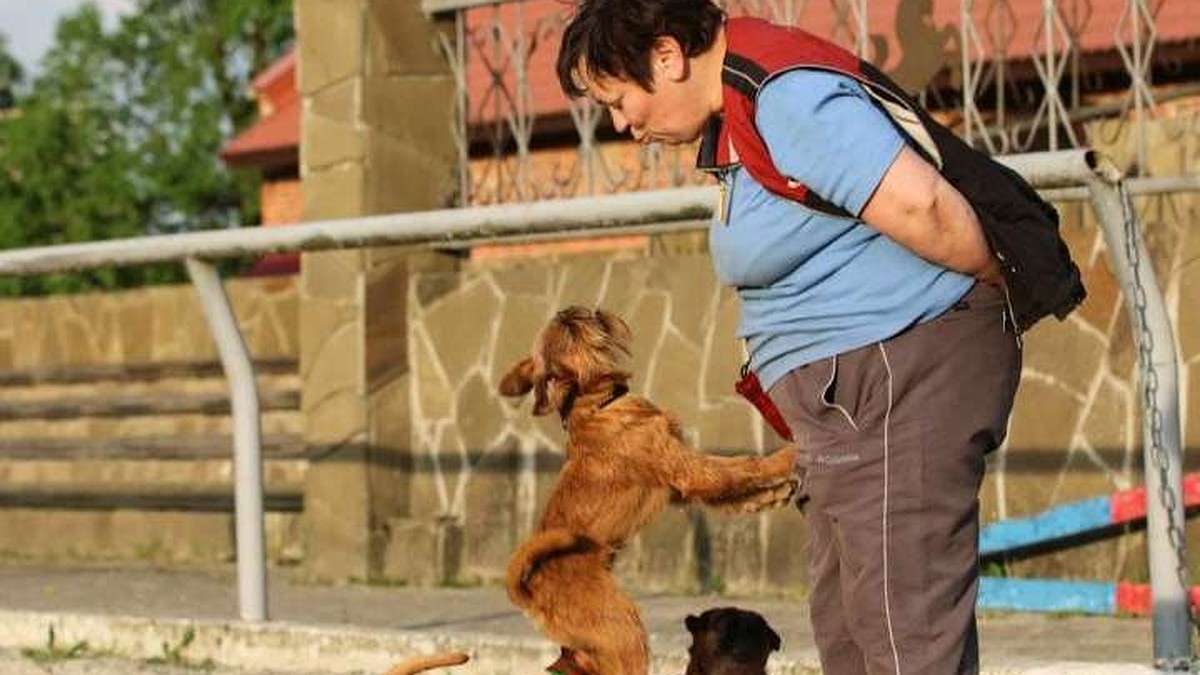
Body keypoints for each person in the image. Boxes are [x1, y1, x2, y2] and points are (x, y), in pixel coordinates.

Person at [552, 2, 1083, 674]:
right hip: (857, 400)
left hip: (898, 378)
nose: (623, 124)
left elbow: (926, 208)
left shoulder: (786, 96)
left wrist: (981, 295)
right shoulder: (741, 114)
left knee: (903, 632)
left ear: (666, 57)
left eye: (620, 99)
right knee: (853, 635)